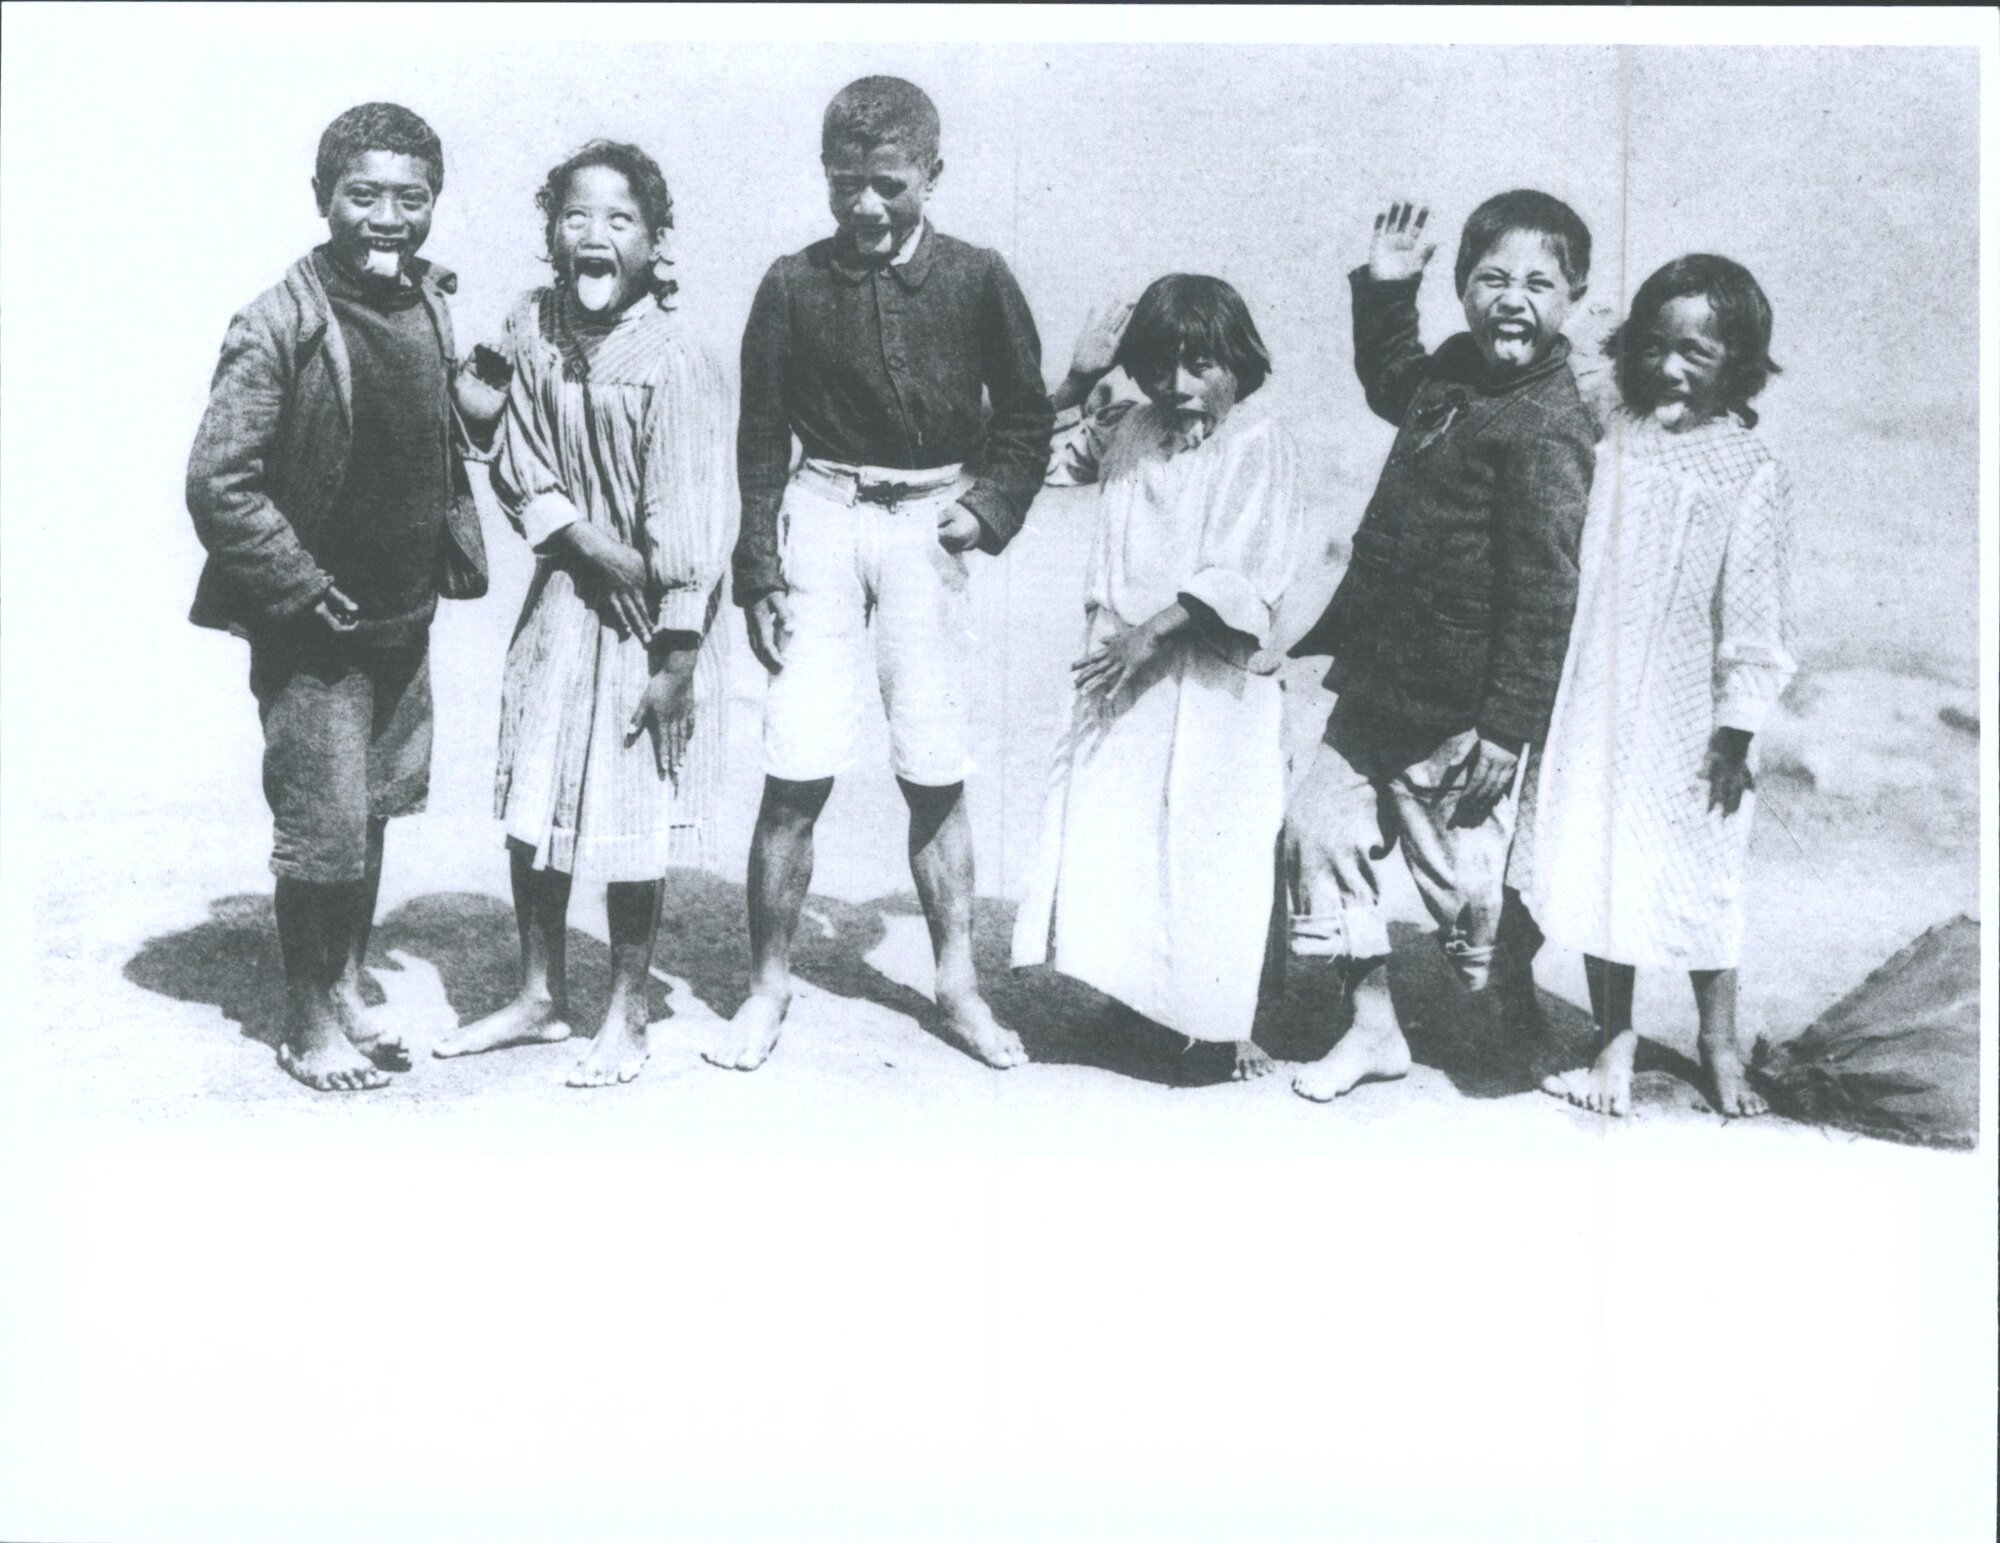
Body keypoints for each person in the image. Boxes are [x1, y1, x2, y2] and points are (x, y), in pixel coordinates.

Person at [715, 75, 1053, 1073]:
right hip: (816, 517)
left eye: (890, 186)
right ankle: (767, 985)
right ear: (825, 176)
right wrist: (759, 569)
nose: (866, 207)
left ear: (930, 175)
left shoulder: (978, 277)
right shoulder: (789, 282)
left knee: (933, 767)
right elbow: (758, 431)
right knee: (794, 766)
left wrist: (985, 507)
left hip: (930, 526)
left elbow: (1026, 420)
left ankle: (956, 986)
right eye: (846, 183)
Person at [186, 102, 493, 1092]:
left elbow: (454, 424)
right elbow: (219, 480)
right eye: (364, 195)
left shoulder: (432, 305)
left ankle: (349, 982)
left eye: (411, 198)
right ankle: (307, 1020)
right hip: (314, 625)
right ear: (323, 198)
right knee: (319, 830)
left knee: (373, 810)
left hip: (405, 613)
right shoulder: (277, 322)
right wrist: (298, 586)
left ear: (434, 204)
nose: (388, 218)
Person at [430, 141, 734, 1088]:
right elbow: (511, 446)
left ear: (654, 240)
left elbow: (695, 517)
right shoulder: (531, 326)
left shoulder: (679, 356)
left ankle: (627, 1012)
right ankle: (536, 993)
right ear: (551, 234)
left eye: (620, 220)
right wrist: (579, 535)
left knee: (628, 812)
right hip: (563, 596)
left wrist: (677, 658)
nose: (595, 235)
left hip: (650, 622)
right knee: (539, 802)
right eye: (575, 217)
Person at [1283, 192, 1597, 1103]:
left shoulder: (1551, 425)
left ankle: (1513, 1000)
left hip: (1461, 703)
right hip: (1381, 673)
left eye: (1539, 282)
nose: (1513, 298)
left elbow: (1547, 594)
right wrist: (1388, 290)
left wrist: (1506, 726)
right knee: (1316, 831)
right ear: (1462, 288)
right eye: (1493, 277)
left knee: (1468, 894)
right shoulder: (1454, 370)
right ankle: (1372, 1026)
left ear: (1572, 296)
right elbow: (1393, 381)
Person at [1499, 255, 1793, 1119]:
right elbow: (1586, 350)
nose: (1670, 369)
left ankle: (1718, 1041)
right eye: (1656, 347)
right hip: (1591, 695)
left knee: (1702, 869)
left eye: (1697, 354)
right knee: (1601, 861)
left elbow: (1755, 612)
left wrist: (1737, 726)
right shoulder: (1614, 425)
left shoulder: (1750, 467)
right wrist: (1628, 333)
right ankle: (1614, 1038)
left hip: (1685, 709)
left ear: (1738, 362)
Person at [1011, 278, 1301, 1081]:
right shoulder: (1131, 427)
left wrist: (1151, 634)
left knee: (1213, 845)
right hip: (1122, 669)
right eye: (1158, 369)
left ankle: (1218, 1024)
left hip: (1206, 677)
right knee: (1123, 839)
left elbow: (1246, 571)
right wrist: (1075, 381)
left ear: (1236, 362)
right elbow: (1025, 460)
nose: (1178, 387)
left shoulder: (1257, 440)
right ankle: (1136, 1001)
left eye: (1200, 365)